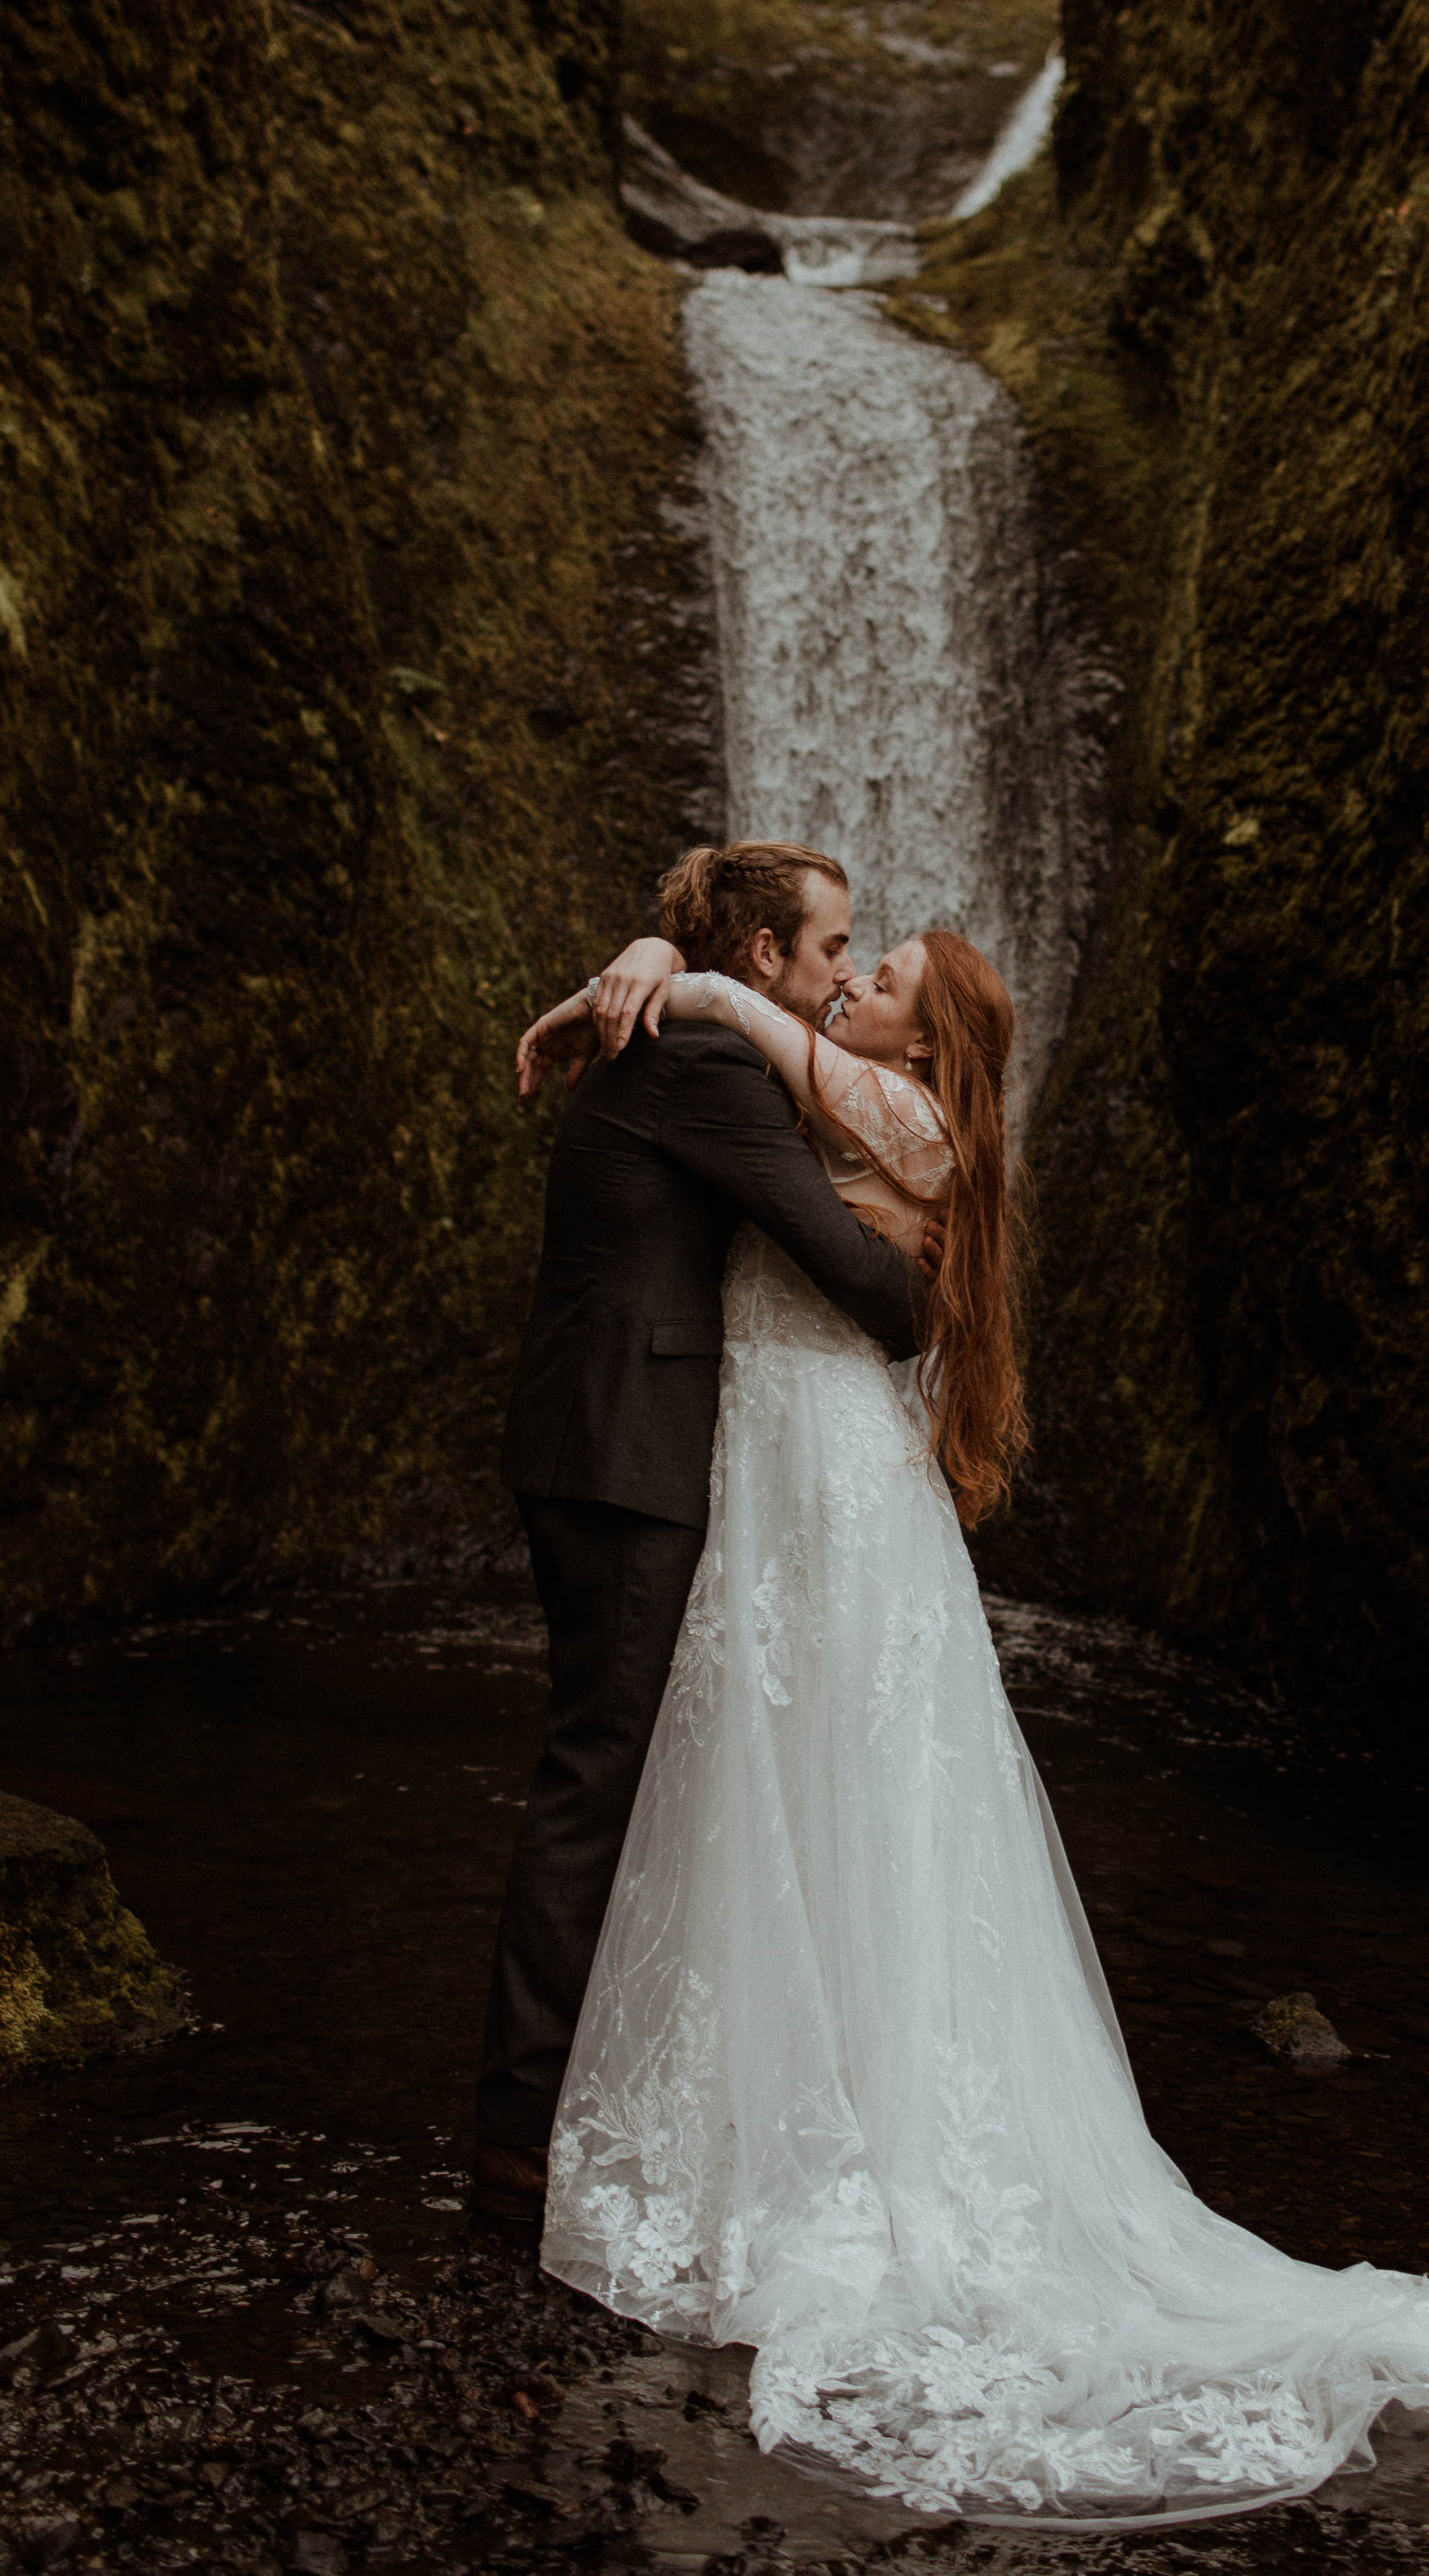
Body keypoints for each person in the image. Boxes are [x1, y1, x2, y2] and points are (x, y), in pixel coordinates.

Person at [507, 924, 1429, 2519]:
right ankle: (763, 2113)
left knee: (851, 1801)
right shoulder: (810, 1110)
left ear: (932, 1038)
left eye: (874, 979)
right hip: (778, 1486)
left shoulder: (921, 1124)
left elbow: (811, 1091)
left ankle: (850, 2148)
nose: (846, 986)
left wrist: (723, 984)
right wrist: (655, 953)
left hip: (833, 1503)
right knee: (780, 1796)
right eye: (841, 964)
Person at [471, 843, 926, 2238]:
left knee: (610, 1775)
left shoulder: (682, 1021)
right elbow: (857, 1278)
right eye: (835, 946)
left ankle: (573, 2108)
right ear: (766, 960)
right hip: (621, 1459)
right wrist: (928, 1290)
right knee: (595, 1779)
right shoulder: (711, 1065)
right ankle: (516, 2146)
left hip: (609, 1446)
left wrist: (661, 958)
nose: (849, 970)